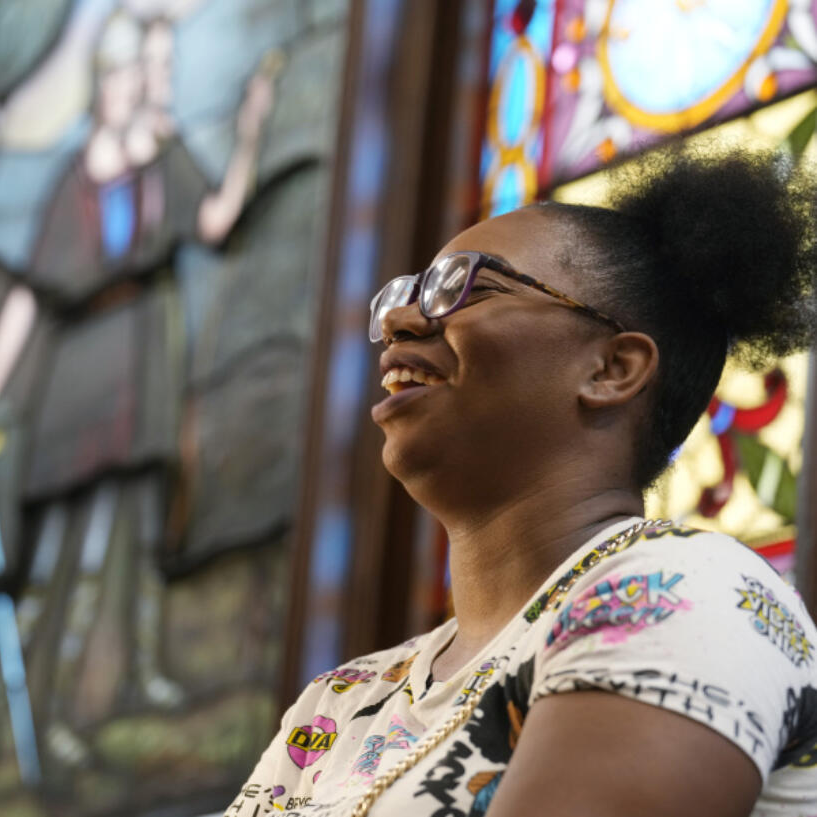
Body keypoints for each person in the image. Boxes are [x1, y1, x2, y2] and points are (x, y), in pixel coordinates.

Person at [227, 148, 817, 816]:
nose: (398, 322)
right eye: (406, 295)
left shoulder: (687, 588)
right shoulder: (340, 700)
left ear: (611, 369)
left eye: (467, 286)